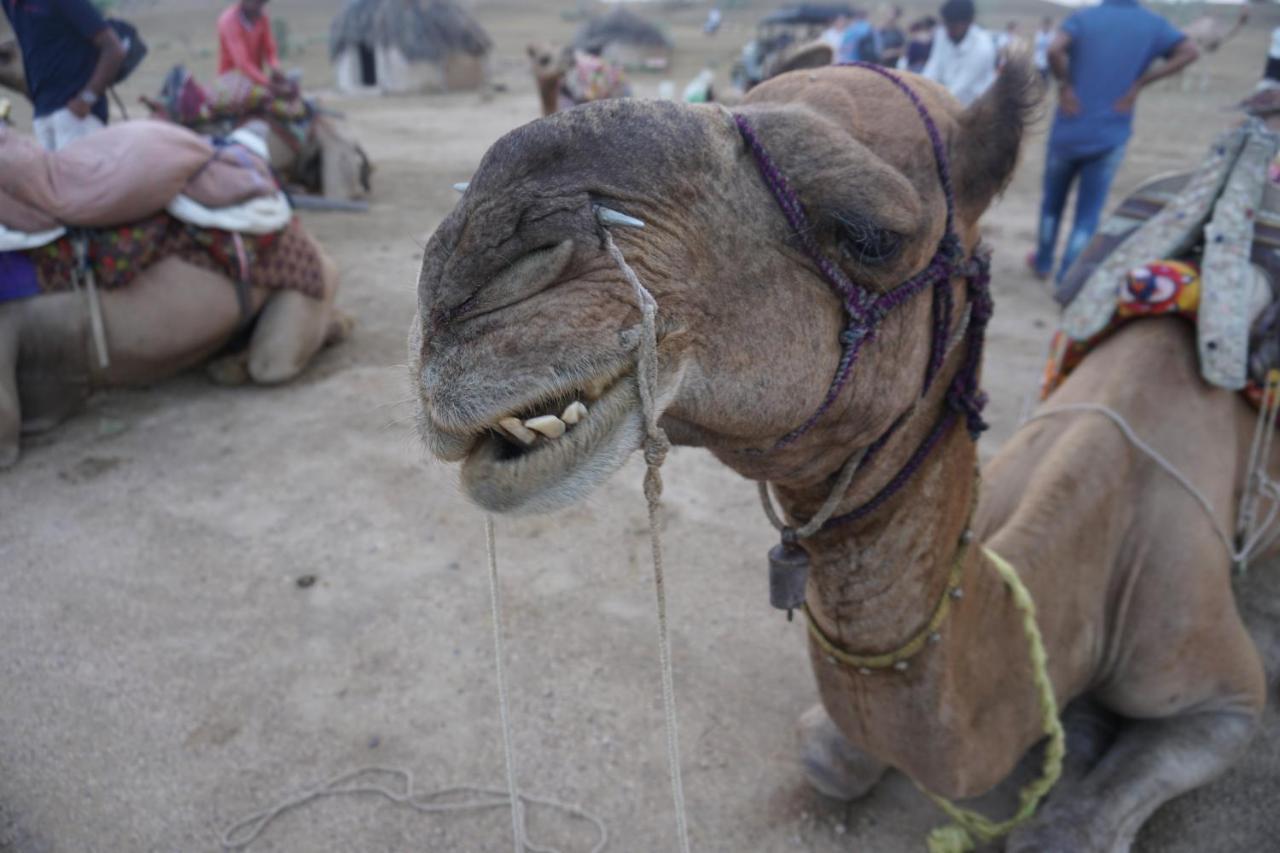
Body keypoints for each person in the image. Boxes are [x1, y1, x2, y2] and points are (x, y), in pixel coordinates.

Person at [1032, 0, 1199, 288]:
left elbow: (1053, 49)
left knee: (1052, 204)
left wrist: (1065, 86)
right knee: (1088, 213)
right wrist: (1141, 82)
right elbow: (1190, 51)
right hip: (1111, 133)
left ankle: (1043, 262)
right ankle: (1067, 275)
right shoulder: (1153, 24)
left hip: (1069, 129)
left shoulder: (1084, 18)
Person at [1, 0, 125, 150]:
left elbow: (113, 49)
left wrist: (86, 99)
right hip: (42, 114)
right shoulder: (10, 4)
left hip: (76, 114)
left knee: (80, 173)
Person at [919, 0, 996, 106]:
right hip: (944, 98)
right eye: (946, 24)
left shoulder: (983, 47)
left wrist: (928, 103)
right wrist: (920, 90)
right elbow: (933, 67)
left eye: (953, 26)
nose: (948, 31)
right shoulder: (942, 33)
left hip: (975, 108)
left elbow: (959, 88)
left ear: (968, 22)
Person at [217, 0, 292, 98]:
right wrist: (268, 84)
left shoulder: (262, 16)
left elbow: (270, 49)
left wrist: (275, 67)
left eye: (262, 3)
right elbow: (243, 63)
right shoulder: (228, 21)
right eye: (257, 2)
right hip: (231, 83)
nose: (260, 6)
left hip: (256, 81)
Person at [1033, 17, 1055, 82]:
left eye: (1048, 25)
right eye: (1045, 24)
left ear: (1050, 25)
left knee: (1046, 81)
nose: (1046, 26)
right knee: (1038, 81)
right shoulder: (1038, 34)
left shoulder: (1053, 35)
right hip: (1038, 61)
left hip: (1048, 62)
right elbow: (1036, 47)